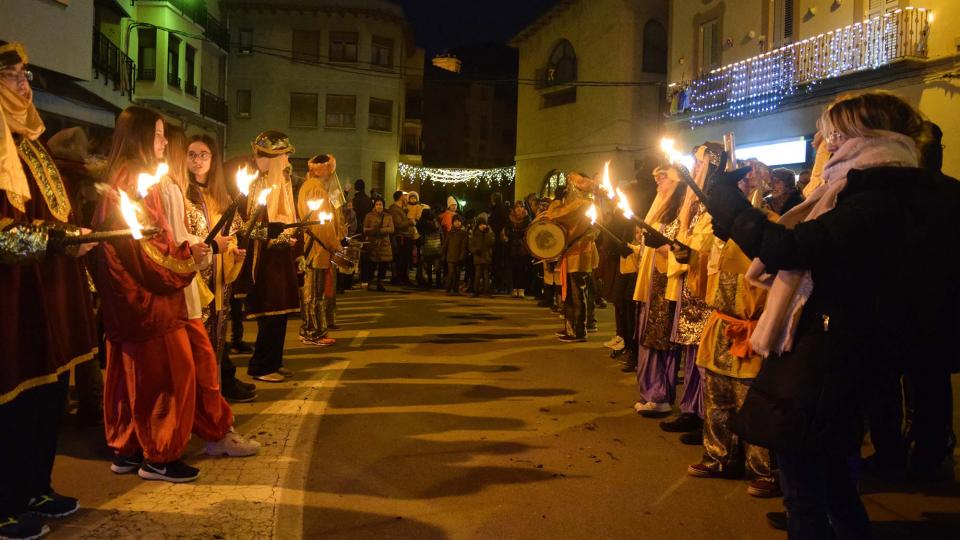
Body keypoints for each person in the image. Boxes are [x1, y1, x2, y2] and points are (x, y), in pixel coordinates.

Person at [706, 92, 960, 538]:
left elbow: (788, 249)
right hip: (861, 357)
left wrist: (729, 202)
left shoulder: (878, 194)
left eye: (834, 135)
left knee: (805, 489)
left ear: (863, 137)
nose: (826, 143)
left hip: (831, 357)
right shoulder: (912, 188)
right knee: (838, 483)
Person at [0, 41, 98, 539]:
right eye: (13, 76)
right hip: (10, 295)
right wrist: (57, 238)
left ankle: (36, 484)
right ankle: (4, 501)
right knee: (12, 397)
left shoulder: (33, 143)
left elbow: (52, 212)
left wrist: (76, 235)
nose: (25, 86)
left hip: (48, 286)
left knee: (48, 391)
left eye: (26, 76)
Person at [685, 158, 778, 499]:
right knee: (717, 398)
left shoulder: (771, 226)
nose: (743, 189)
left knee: (752, 402)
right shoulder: (716, 228)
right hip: (721, 323)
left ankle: (764, 469)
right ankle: (719, 455)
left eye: (750, 182)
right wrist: (687, 255)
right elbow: (703, 268)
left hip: (752, 328)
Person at [183, 134, 256, 403]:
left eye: (204, 155)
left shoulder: (220, 195)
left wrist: (233, 250)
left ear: (213, 160)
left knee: (217, 334)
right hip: (194, 279)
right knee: (196, 339)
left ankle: (216, 391)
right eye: (192, 154)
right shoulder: (180, 194)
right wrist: (210, 245)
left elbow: (232, 233)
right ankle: (197, 396)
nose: (198, 160)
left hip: (219, 280)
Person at [242, 130, 300, 383]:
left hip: (280, 255)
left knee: (282, 312)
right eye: (284, 157)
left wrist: (290, 236)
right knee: (271, 312)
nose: (287, 163)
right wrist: (276, 234)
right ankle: (261, 366)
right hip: (264, 257)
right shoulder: (256, 184)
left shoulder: (282, 183)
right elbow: (248, 226)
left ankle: (274, 361)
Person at [632, 166, 687, 415]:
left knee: (660, 338)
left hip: (665, 284)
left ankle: (660, 394)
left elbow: (682, 248)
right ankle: (649, 392)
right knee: (648, 336)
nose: (657, 181)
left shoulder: (680, 211)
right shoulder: (660, 207)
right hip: (652, 281)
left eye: (663, 177)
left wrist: (663, 246)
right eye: (655, 177)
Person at [542, 173, 598, 343]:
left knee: (576, 293)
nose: (568, 187)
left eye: (571, 182)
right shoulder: (584, 202)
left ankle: (578, 331)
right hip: (573, 252)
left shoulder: (583, 203)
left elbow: (555, 215)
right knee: (572, 293)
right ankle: (571, 327)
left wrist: (556, 201)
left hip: (578, 253)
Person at [297, 154, 344, 346]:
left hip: (313, 246)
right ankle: (313, 332)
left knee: (311, 292)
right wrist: (335, 244)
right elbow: (322, 225)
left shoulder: (308, 186)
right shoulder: (317, 189)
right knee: (315, 293)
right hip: (317, 248)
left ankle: (309, 329)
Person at [363, 196, 394, 291]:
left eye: (380, 204)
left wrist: (381, 230)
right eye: (377, 204)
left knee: (383, 265)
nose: (379, 206)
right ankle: (370, 281)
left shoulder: (388, 216)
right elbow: (364, 229)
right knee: (372, 264)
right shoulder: (369, 216)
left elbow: (392, 229)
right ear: (374, 205)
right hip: (373, 243)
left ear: (383, 206)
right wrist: (372, 230)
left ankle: (380, 282)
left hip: (384, 244)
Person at [503, 201, 531, 298]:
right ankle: (514, 288)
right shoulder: (509, 218)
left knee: (522, 268)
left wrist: (516, 233)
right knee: (513, 268)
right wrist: (515, 234)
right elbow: (507, 231)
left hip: (523, 247)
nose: (519, 209)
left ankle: (521, 289)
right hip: (512, 246)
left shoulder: (527, 219)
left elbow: (528, 230)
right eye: (517, 207)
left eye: (521, 207)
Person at [387, 190, 413, 285]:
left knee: (403, 258)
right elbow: (398, 224)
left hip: (404, 237)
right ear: (401, 197)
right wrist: (410, 222)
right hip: (400, 237)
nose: (406, 199)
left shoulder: (400, 209)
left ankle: (402, 277)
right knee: (399, 258)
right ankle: (398, 277)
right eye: (405, 197)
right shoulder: (394, 209)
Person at [488, 192, 510, 293]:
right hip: (501, 240)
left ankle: (499, 285)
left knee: (497, 263)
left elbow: (494, 224)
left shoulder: (496, 211)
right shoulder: (503, 210)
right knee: (501, 263)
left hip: (497, 240)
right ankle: (501, 285)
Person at [352, 179, 373, 285]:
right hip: (366, 229)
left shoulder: (355, 200)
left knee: (355, 254)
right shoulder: (368, 200)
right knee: (365, 254)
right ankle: (365, 276)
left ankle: (352, 276)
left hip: (357, 229)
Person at [442, 214, 469, 295]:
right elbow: (445, 244)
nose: (457, 223)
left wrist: (462, 256)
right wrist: (442, 252)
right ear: (453, 222)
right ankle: (448, 289)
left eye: (459, 221)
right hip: (450, 256)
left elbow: (464, 246)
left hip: (459, 256)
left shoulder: (464, 233)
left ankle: (455, 290)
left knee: (457, 273)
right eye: (455, 221)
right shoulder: (450, 233)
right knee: (451, 272)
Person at [470, 215, 496, 297]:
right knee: (477, 275)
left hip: (486, 256)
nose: (482, 226)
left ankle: (486, 291)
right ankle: (476, 291)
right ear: (478, 225)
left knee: (486, 275)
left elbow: (491, 242)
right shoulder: (475, 233)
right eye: (480, 224)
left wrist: (487, 233)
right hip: (478, 257)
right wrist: (475, 250)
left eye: (484, 224)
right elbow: (471, 245)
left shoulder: (489, 232)